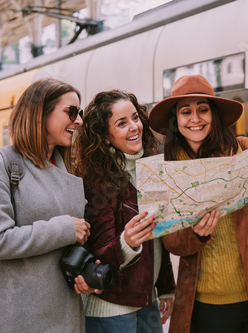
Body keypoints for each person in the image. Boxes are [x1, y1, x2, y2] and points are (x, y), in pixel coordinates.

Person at [148, 75, 248, 333]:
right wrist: (196, 235)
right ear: (175, 121)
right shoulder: (167, 171)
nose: (195, 118)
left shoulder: (244, 149)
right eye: (185, 111)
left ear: (215, 115)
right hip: (205, 303)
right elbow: (172, 244)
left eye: (203, 109)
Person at [0, 78, 99, 333]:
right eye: (71, 112)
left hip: (65, 314)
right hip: (15, 317)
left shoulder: (66, 166)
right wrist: (64, 228)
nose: (79, 121)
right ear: (39, 112)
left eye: (80, 113)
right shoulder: (0, 164)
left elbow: (77, 237)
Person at [74, 90, 176, 333]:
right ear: (105, 137)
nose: (134, 127)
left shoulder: (152, 169)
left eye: (135, 118)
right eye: (122, 123)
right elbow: (97, 255)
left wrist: (165, 288)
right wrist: (126, 242)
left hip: (146, 300)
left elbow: (158, 238)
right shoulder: (96, 181)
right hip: (111, 309)